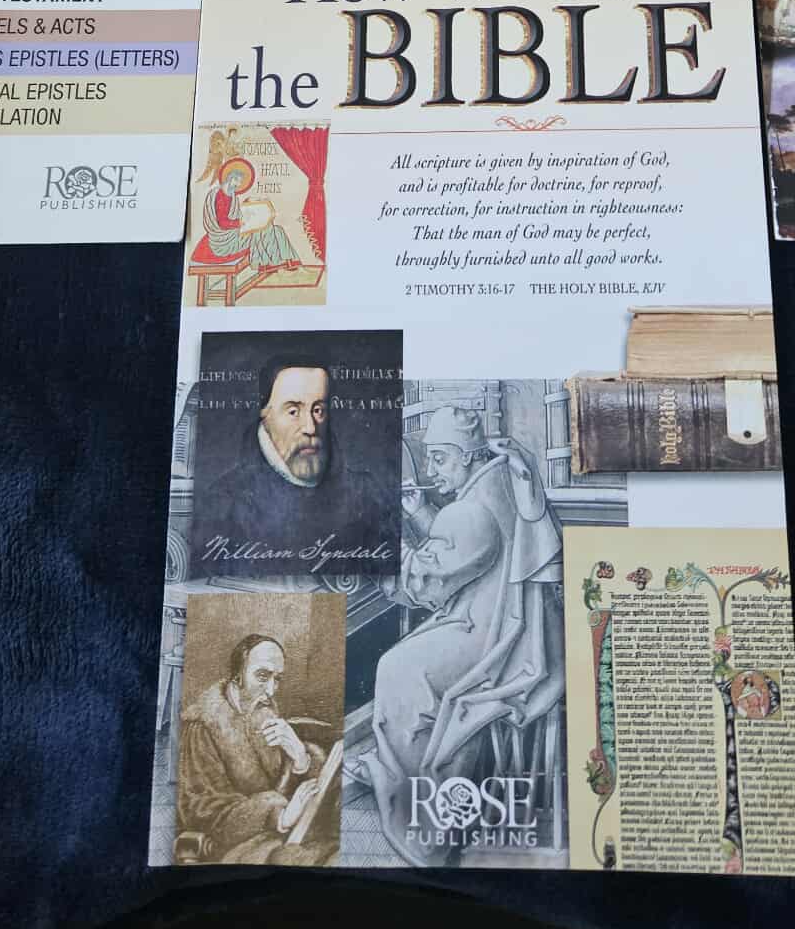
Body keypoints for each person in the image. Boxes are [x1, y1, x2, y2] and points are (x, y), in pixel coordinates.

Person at [350, 403, 563, 866]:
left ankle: (415, 804)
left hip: (494, 641)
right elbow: (467, 552)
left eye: (439, 458)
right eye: (429, 458)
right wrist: (423, 513)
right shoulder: (497, 484)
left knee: (398, 668)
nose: (430, 470)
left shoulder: (469, 511)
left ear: (467, 456)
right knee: (408, 658)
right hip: (507, 625)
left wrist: (385, 547)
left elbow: (426, 584)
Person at [194, 355, 394, 577]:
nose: (310, 427)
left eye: (318, 410)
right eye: (293, 411)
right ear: (265, 415)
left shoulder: (366, 495)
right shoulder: (223, 503)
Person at [178, 634, 338, 864]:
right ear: (237, 675)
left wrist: (301, 758)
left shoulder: (264, 713)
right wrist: (279, 816)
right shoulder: (203, 726)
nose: (271, 690)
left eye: (277, 679)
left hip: (290, 830)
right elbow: (203, 810)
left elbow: (283, 782)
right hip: (241, 842)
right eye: (262, 676)